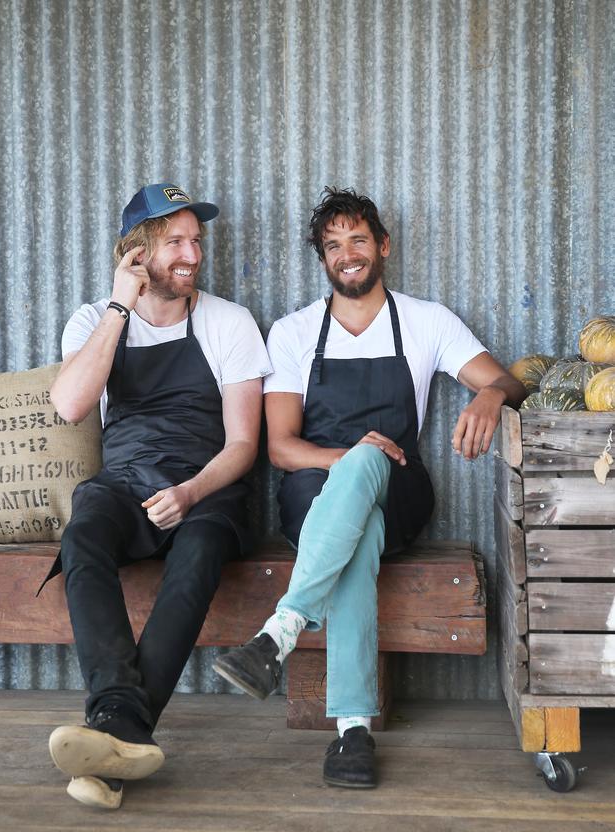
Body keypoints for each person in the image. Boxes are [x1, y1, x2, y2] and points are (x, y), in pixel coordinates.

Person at [213, 186, 526, 789]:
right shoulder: (295, 332)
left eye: (358, 239)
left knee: (368, 485)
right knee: (356, 532)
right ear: (323, 260)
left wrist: (489, 393)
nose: (347, 254)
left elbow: (509, 383)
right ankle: (351, 730)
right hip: (314, 493)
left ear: (383, 245)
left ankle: (282, 630)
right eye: (333, 245)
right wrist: (349, 458)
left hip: (401, 488)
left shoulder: (427, 321)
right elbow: (280, 447)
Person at [46, 182, 271, 809]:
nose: (192, 254)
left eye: (195, 240)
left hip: (208, 489)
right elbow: (69, 405)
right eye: (174, 241)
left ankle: (114, 726)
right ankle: (120, 727)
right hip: (125, 484)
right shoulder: (94, 322)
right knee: (82, 534)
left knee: (196, 556)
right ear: (136, 252)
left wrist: (192, 491)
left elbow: (244, 444)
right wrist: (121, 306)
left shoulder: (228, 322)